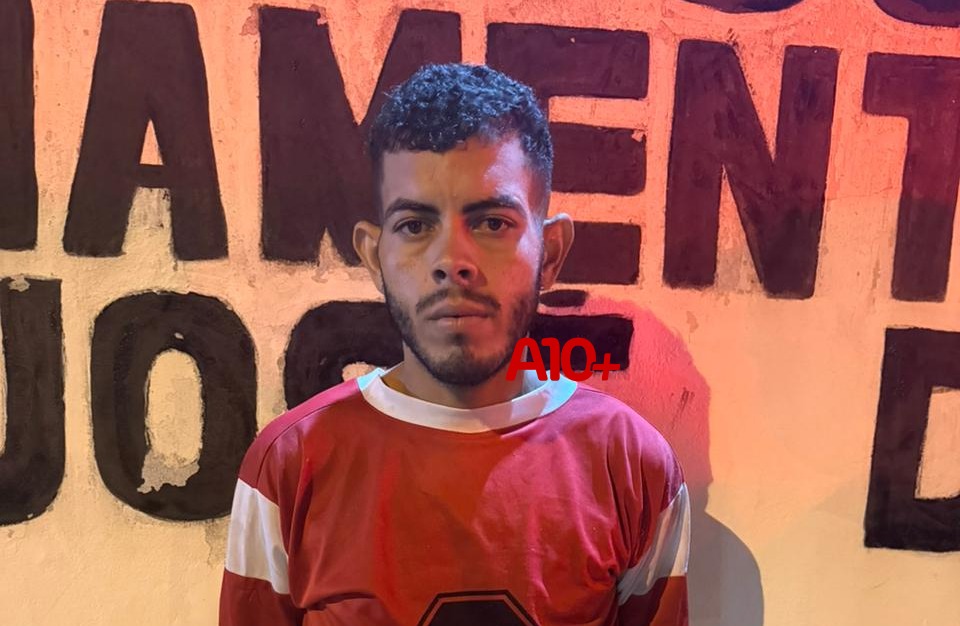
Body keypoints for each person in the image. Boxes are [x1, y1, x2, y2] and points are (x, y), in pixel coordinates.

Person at [219, 62, 690, 626]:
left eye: (492, 223)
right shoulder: (289, 465)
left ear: (551, 253)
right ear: (374, 257)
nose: (451, 262)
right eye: (415, 226)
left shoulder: (632, 465)